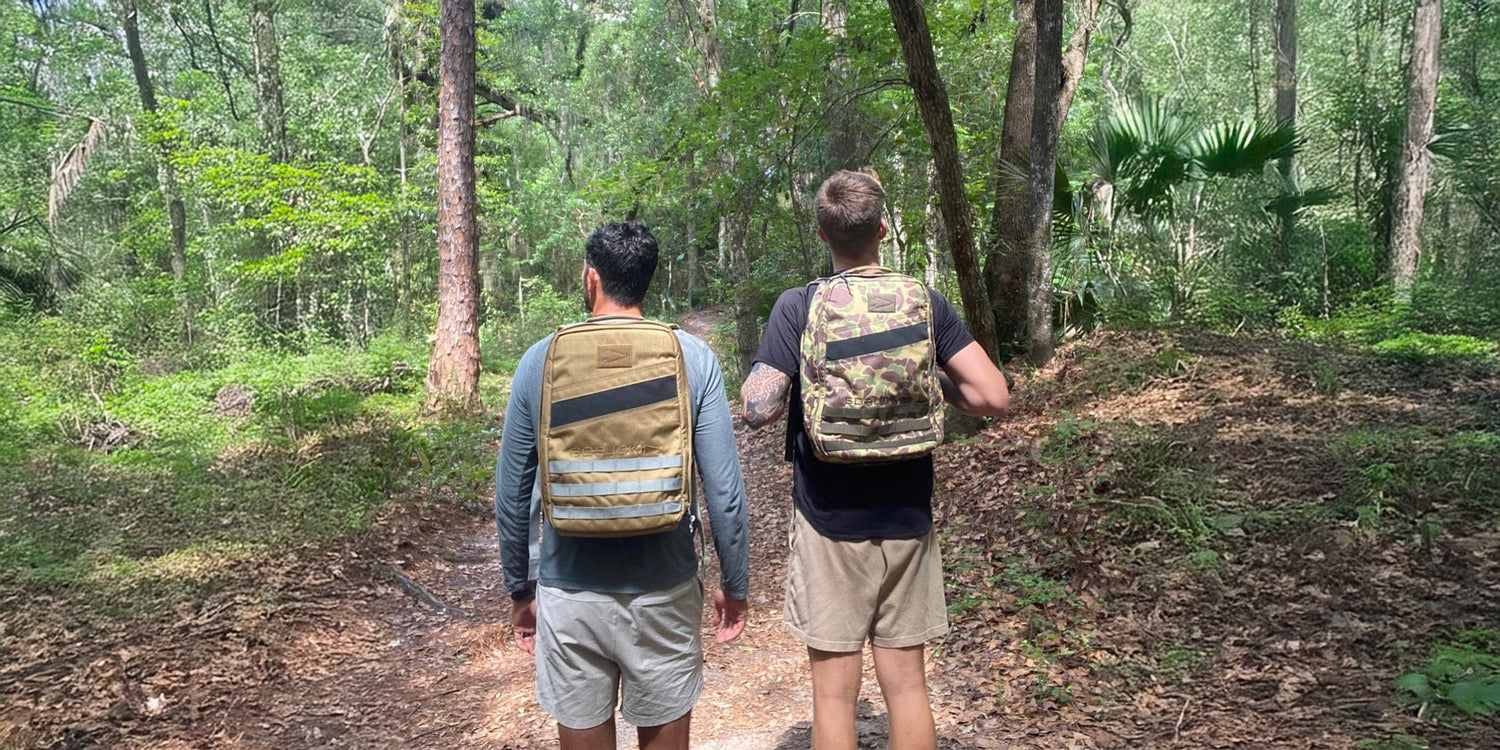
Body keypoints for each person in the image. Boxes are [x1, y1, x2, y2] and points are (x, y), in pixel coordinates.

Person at [740, 170, 1010, 750]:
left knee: (833, 696)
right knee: (908, 688)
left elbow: (758, 409)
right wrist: (930, 379)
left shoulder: (798, 306)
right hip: (907, 518)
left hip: (827, 520)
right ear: (882, 230)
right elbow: (993, 397)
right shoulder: (923, 304)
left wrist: (798, 382)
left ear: (821, 235)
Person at [496, 221, 751, 750]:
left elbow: (512, 496)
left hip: (569, 592)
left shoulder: (540, 360)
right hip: (665, 589)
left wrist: (522, 591)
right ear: (646, 283)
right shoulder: (693, 357)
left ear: (591, 279)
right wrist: (736, 584)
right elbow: (724, 490)